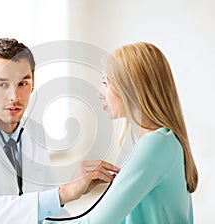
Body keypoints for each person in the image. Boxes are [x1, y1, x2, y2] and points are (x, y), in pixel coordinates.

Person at [0, 38, 119, 224]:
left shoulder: (34, 132)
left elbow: (49, 212)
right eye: (2, 84)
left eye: (22, 84)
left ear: (32, 85)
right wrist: (62, 193)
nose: (14, 97)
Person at [44, 42, 198, 224]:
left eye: (106, 83)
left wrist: (34, 215)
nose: (101, 93)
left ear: (131, 89)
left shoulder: (155, 145)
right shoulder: (163, 140)